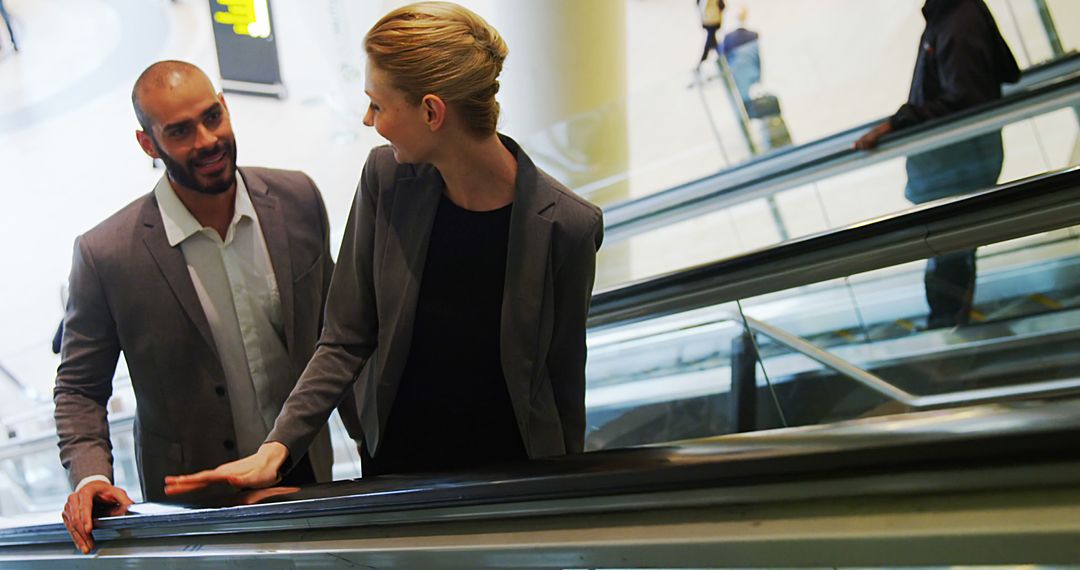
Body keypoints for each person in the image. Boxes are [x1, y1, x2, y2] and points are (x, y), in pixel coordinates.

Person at [163, 1, 603, 496]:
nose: (369, 119)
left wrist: (569, 505)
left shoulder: (567, 226)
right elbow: (346, 336)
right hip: (398, 477)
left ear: (432, 112)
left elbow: (565, 385)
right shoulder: (386, 180)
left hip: (512, 486)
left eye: (378, 104)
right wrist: (277, 448)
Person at [54, 61, 350, 554]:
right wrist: (90, 479)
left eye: (213, 116)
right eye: (180, 131)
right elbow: (80, 389)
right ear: (148, 144)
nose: (208, 139)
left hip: (305, 474)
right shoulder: (106, 254)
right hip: (194, 511)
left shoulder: (297, 199)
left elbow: (341, 333)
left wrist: (374, 447)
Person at [854, 0, 1019, 329]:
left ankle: (946, 335)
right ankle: (947, 331)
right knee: (950, 252)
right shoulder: (950, 15)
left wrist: (899, 122)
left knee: (949, 253)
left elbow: (966, 101)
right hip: (956, 163)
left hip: (956, 165)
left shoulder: (959, 21)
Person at [696, 0, 725, 70]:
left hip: (708, 19)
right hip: (713, 20)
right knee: (711, 41)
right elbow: (722, 6)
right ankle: (722, 61)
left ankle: (701, 63)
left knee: (711, 40)